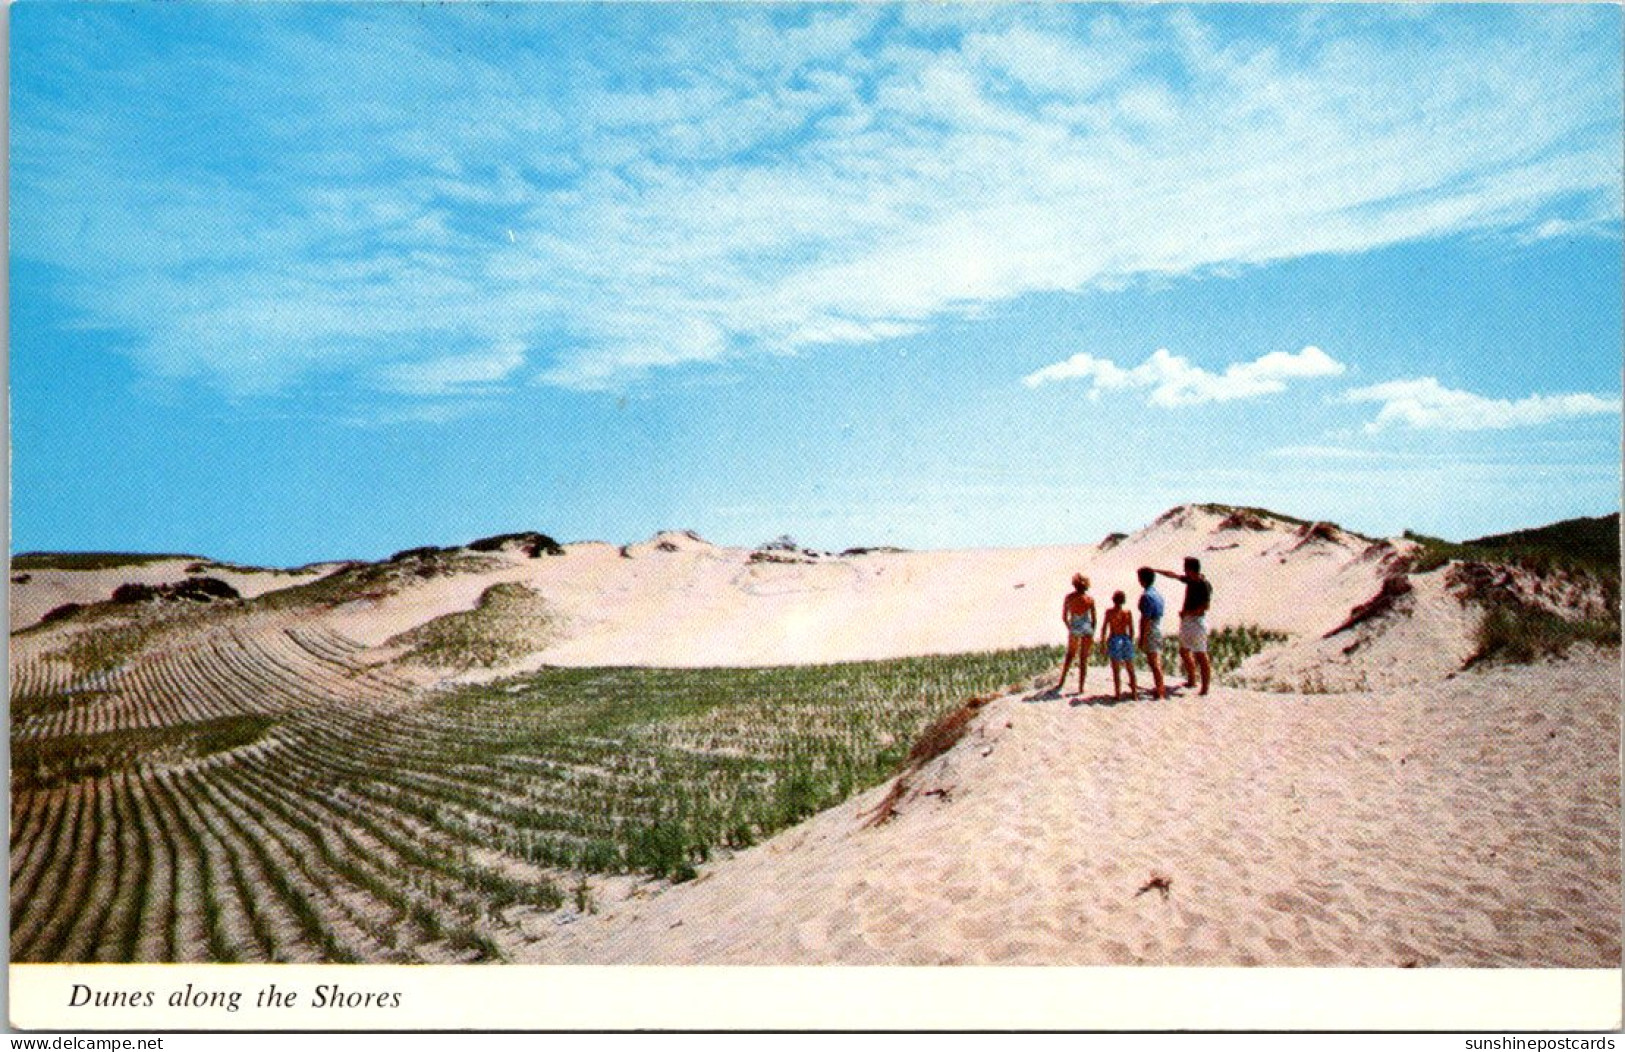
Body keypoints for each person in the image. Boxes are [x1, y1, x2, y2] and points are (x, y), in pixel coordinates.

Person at [1152, 556, 1212, 696]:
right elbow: (1173, 575)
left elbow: (1205, 607)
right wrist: (1157, 570)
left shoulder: (1204, 584)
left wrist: (1187, 612)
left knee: (1201, 654)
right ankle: (1192, 679)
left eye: (1186, 567)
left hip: (1197, 621)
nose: (1184, 570)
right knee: (1184, 651)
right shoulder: (1190, 580)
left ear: (1191, 569)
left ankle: (1205, 688)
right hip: (1187, 620)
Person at [1055, 573, 1097, 694]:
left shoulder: (1069, 598)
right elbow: (1094, 619)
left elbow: (1064, 617)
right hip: (1087, 627)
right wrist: (1092, 631)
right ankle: (1081, 687)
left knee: (1070, 655)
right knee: (1083, 658)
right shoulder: (1089, 599)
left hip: (1075, 627)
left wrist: (1070, 628)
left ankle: (1062, 681)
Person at [1100, 590, 1139, 701]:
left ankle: (1118, 694)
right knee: (1130, 668)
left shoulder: (1109, 612)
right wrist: (1130, 642)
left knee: (1116, 670)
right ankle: (1134, 693)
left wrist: (1103, 644)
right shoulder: (1127, 613)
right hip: (1125, 638)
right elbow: (1131, 630)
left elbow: (1104, 628)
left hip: (1115, 639)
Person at [1136, 566, 1168, 700]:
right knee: (1156, 660)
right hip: (1158, 626)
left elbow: (1146, 619)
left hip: (1151, 628)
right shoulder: (1157, 594)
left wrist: (1142, 637)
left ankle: (1160, 691)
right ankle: (1160, 687)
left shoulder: (1146, 596)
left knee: (1154, 662)